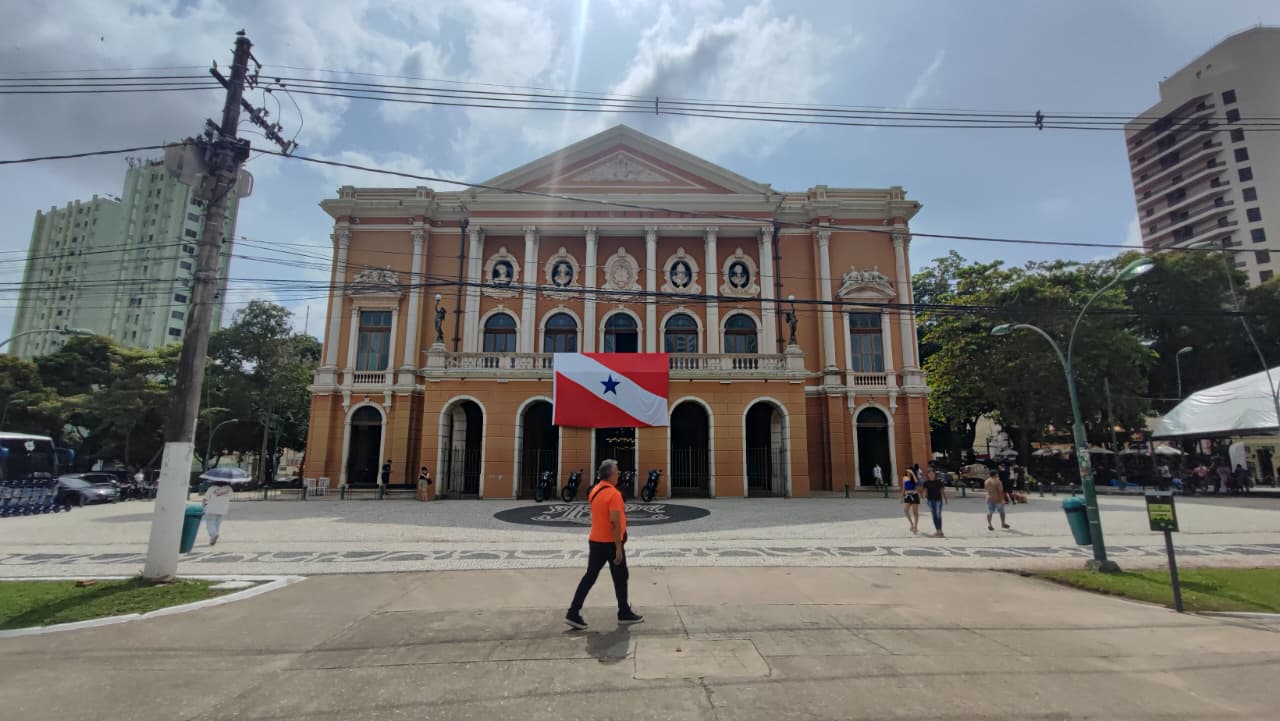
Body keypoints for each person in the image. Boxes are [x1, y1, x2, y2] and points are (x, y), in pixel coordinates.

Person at [565, 459, 643, 629]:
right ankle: (623, 612)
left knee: (590, 576)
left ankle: (573, 611)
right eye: (617, 471)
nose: (619, 474)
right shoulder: (614, 494)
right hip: (610, 543)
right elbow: (614, 522)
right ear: (611, 475)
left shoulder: (595, 490)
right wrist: (618, 548)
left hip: (595, 541)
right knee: (621, 577)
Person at [202, 480, 234, 546]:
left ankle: (214, 535)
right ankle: (212, 539)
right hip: (222, 509)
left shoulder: (211, 488)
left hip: (211, 509)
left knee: (209, 523)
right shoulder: (229, 489)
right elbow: (230, 497)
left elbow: (205, 499)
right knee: (217, 524)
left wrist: (204, 505)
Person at [922, 467, 947, 538]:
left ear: (935, 474)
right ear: (928, 475)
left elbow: (942, 491)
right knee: (934, 515)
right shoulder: (926, 483)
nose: (931, 475)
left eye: (932, 473)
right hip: (930, 501)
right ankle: (938, 531)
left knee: (938, 515)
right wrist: (923, 499)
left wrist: (945, 499)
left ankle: (940, 531)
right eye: (929, 474)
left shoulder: (939, 482)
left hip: (938, 500)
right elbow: (925, 491)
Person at [901, 469, 920, 534]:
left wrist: (913, 473)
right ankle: (912, 524)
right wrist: (901, 497)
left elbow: (916, 482)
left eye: (909, 472)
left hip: (914, 496)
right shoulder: (904, 477)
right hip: (907, 496)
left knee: (915, 512)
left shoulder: (914, 478)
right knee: (905, 510)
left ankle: (915, 526)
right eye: (907, 472)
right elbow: (904, 488)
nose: (908, 473)